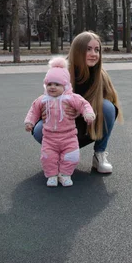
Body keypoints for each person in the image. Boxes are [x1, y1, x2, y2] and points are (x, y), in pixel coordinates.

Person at [33, 31, 123, 174]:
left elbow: (111, 111)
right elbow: (46, 101)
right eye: (88, 49)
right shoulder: (61, 73)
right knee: (39, 130)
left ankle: (99, 154)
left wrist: (84, 111)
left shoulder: (100, 76)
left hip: (87, 124)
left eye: (97, 50)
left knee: (108, 108)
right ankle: (58, 154)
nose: (94, 54)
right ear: (77, 50)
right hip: (63, 125)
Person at [25, 57, 96, 187]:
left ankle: (65, 174)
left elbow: (83, 104)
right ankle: (51, 175)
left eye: (57, 84)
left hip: (69, 136)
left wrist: (88, 113)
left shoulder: (71, 98)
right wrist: (29, 122)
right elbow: (33, 111)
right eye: (49, 84)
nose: (52, 87)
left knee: (72, 156)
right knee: (48, 157)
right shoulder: (43, 99)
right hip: (49, 137)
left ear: (65, 86)